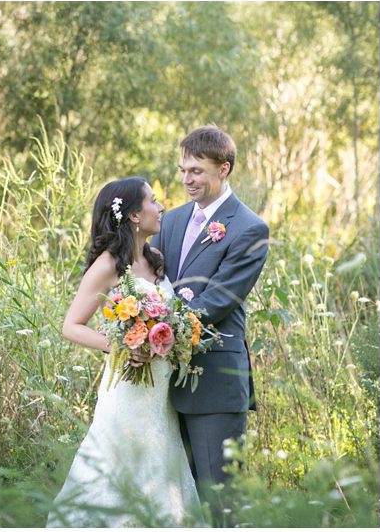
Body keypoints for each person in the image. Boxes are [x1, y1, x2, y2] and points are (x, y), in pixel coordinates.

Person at [46, 177, 202, 528]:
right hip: (128, 391)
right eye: (153, 201)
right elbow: (71, 325)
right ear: (134, 214)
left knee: (162, 468)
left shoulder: (157, 259)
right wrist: (124, 344)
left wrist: (172, 336)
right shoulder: (108, 265)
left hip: (161, 393)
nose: (160, 207)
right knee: (119, 470)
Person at [150, 124, 269, 519]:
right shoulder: (171, 221)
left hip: (214, 381)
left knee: (219, 503)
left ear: (225, 168)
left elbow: (219, 299)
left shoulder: (250, 228)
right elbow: (152, 283)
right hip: (162, 381)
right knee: (173, 504)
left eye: (196, 171)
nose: (187, 179)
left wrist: (156, 328)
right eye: (183, 170)